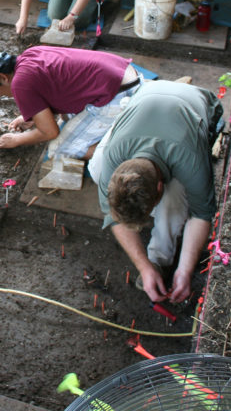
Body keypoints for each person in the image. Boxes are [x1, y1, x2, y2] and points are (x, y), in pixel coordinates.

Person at [88, 81, 223, 304]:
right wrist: (143, 267)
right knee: (96, 168)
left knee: (175, 205)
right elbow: (113, 216)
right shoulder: (114, 156)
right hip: (147, 97)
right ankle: (152, 268)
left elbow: (202, 214)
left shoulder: (189, 159)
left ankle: (160, 259)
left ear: (159, 187)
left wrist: (184, 271)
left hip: (194, 103)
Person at [0, 46, 141, 160]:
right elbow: (54, 88)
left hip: (119, 95)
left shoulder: (19, 83)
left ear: (4, 78)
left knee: (60, 149)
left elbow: (50, 132)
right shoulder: (29, 55)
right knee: (65, 116)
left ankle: (134, 153)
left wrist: (16, 139)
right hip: (125, 73)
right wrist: (32, 116)